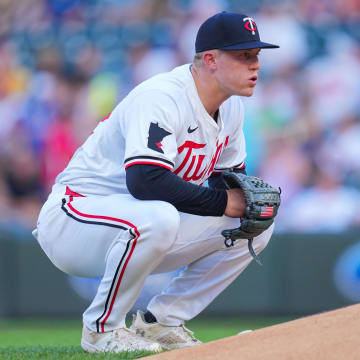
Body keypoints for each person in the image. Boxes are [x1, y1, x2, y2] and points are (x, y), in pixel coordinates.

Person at [33, 11, 279, 353]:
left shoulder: (232, 109)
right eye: (243, 56)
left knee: (255, 224)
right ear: (210, 60)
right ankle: (101, 331)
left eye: (255, 56)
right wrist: (224, 202)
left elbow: (226, 181)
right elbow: (146, 181)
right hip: (75, 217)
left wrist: (235, 200)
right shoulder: (162, 96)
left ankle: (162, 322)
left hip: (138, 227)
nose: (255, 65)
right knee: (159, 216)